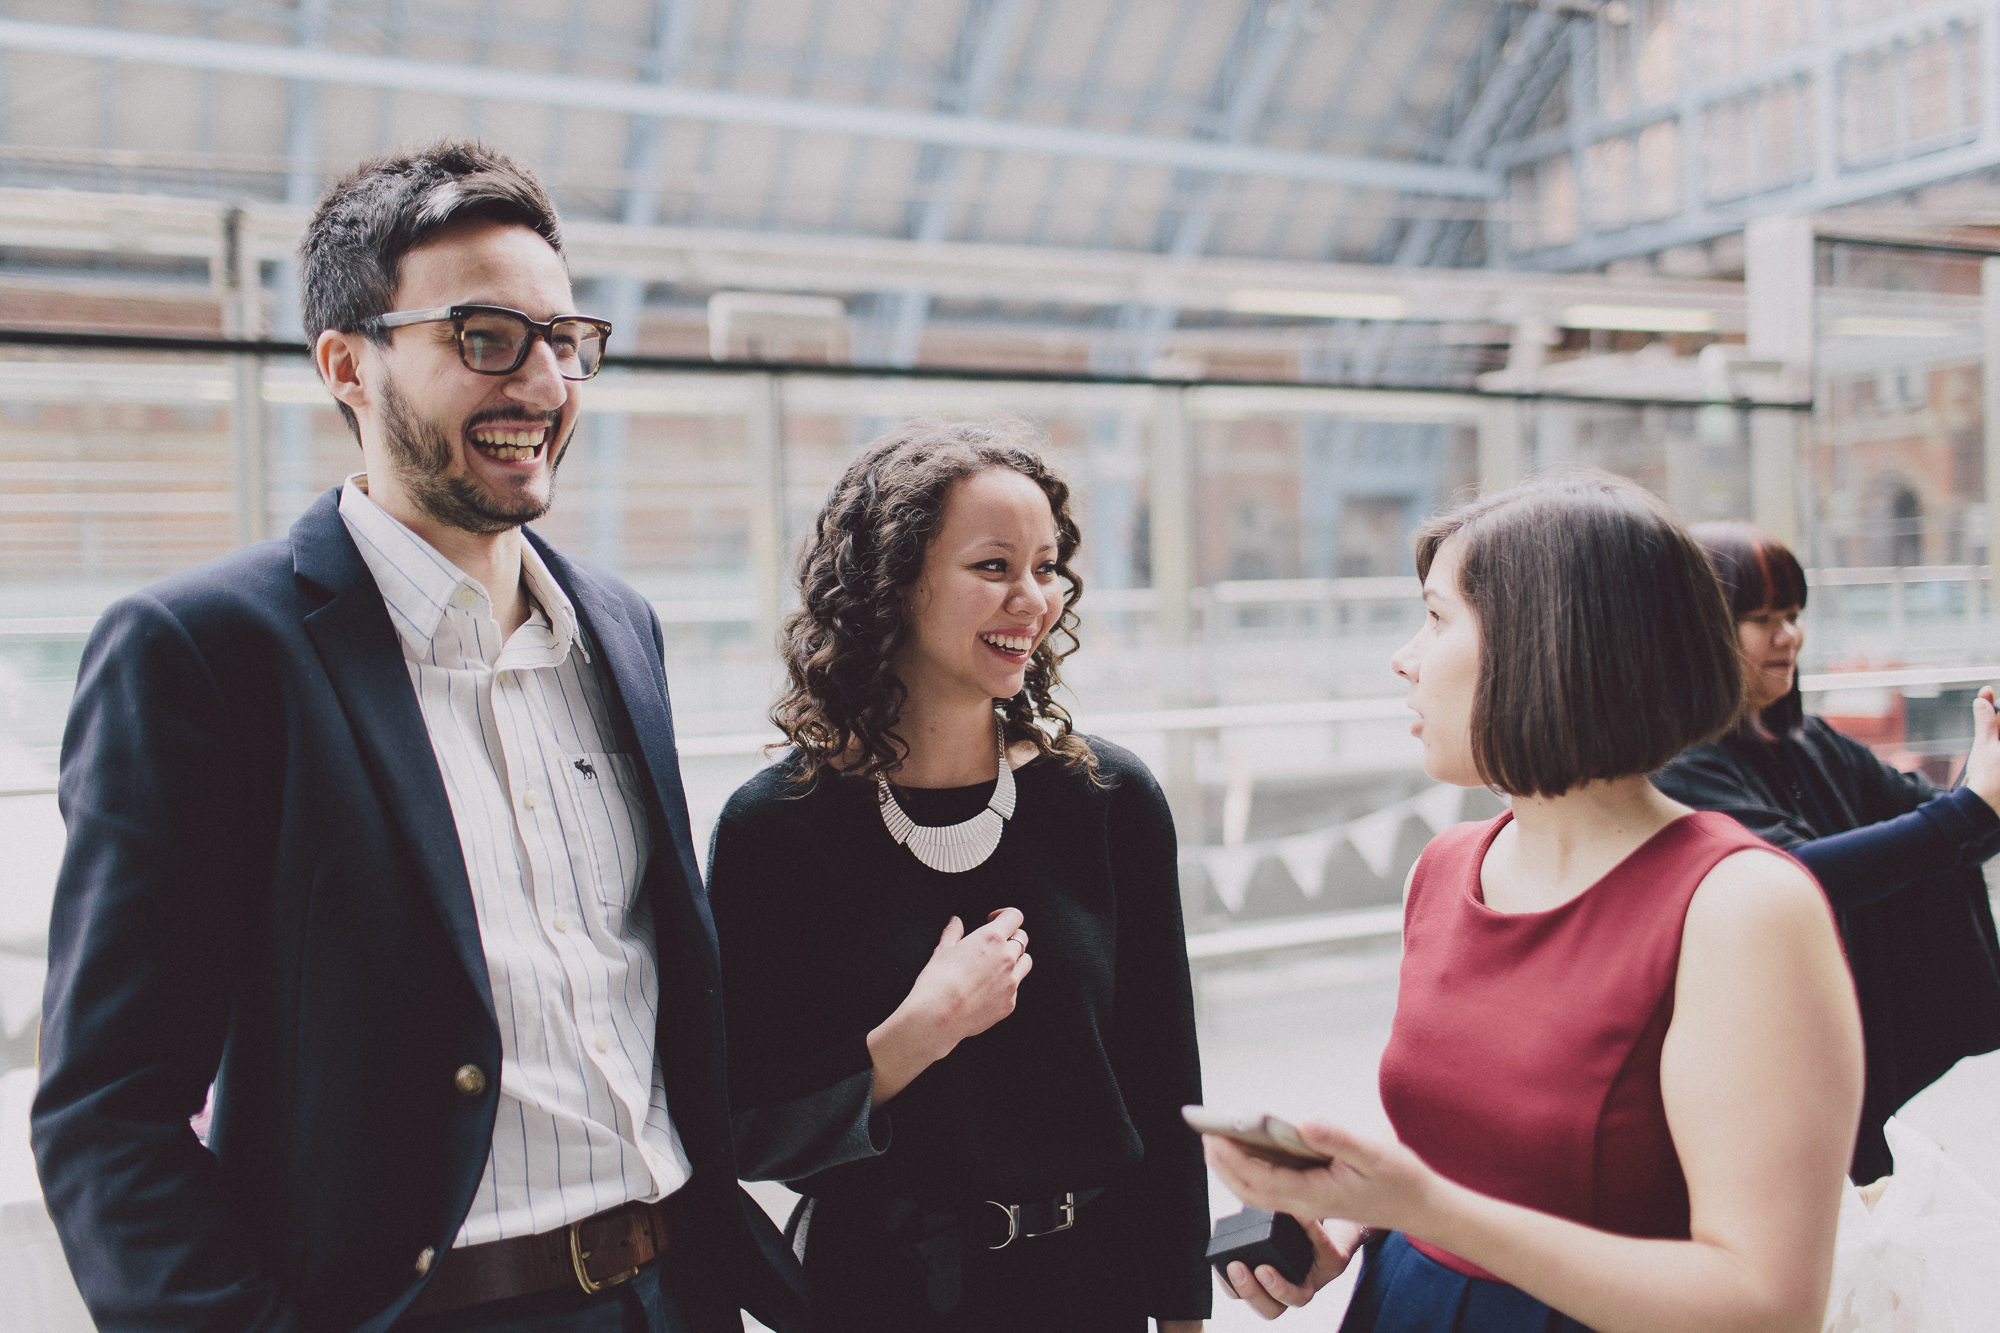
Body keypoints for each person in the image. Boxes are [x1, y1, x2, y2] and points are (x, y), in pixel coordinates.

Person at [32, 142, 801, 1333]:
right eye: (484, 337)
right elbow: (108, 1111)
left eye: (563, 339)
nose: (542, 383)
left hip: (668, 1293)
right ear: (347, 363)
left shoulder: (616, 625)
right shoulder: (204, 653)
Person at [1202, 472, 1864, 1332]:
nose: (1404, 656)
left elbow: (1766, 1306)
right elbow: (1490, 1160)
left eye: (1437, 618)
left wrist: (1429, 1207)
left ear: (1547, 644)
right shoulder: (1443, 868)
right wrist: (1357, 1208)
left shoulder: (1744, 908)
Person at [705, 421, 1211, 1332]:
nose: (1034, 600)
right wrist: (915, 1035)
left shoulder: (1107, 799)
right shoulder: (774, 828)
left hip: (1090, 1289)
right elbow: (742, 1119)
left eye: (1047, 568)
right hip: (878, 1296)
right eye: (994, 567)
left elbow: (1164, 1080)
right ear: (893, 584)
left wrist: (1182, 1315)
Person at [1652, 521, 2000, 1185]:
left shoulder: (1810, 743)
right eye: (1762, 618)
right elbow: (1793, 874)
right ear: (1700, 632)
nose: (1790, 635)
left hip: (1832, 1068)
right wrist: (1972, 806)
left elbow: (1933, 827)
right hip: (1760, 1087)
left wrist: (1984, 783)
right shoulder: (1679, 767)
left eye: (1792, 614)